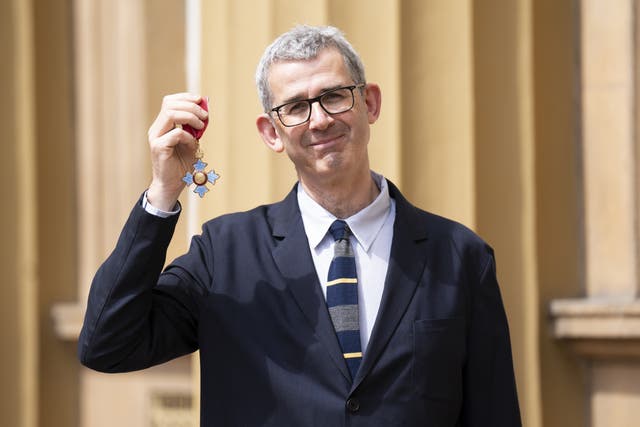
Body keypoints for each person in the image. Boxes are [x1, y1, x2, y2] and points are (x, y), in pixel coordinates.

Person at [78, 25, 521, 426]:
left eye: (334, 96)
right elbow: (107, 344)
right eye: (294, 107)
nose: (320, 119)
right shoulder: (225, 254)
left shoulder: (460, 256)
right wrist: (162, 193)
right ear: (271, 133)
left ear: (369, 103)